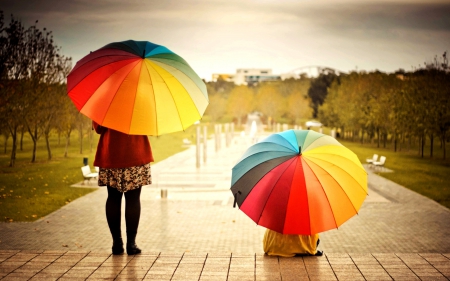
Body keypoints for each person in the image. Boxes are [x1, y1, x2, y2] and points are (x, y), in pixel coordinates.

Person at [93, 122, 154, 255]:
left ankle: (117, 243)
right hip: (135, 152)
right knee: (133, 199)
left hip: (111, 153)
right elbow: (149, 126)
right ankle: (131, 244)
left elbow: (98, 128)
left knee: (113, 198)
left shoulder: (105, 102)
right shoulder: (140, 101)